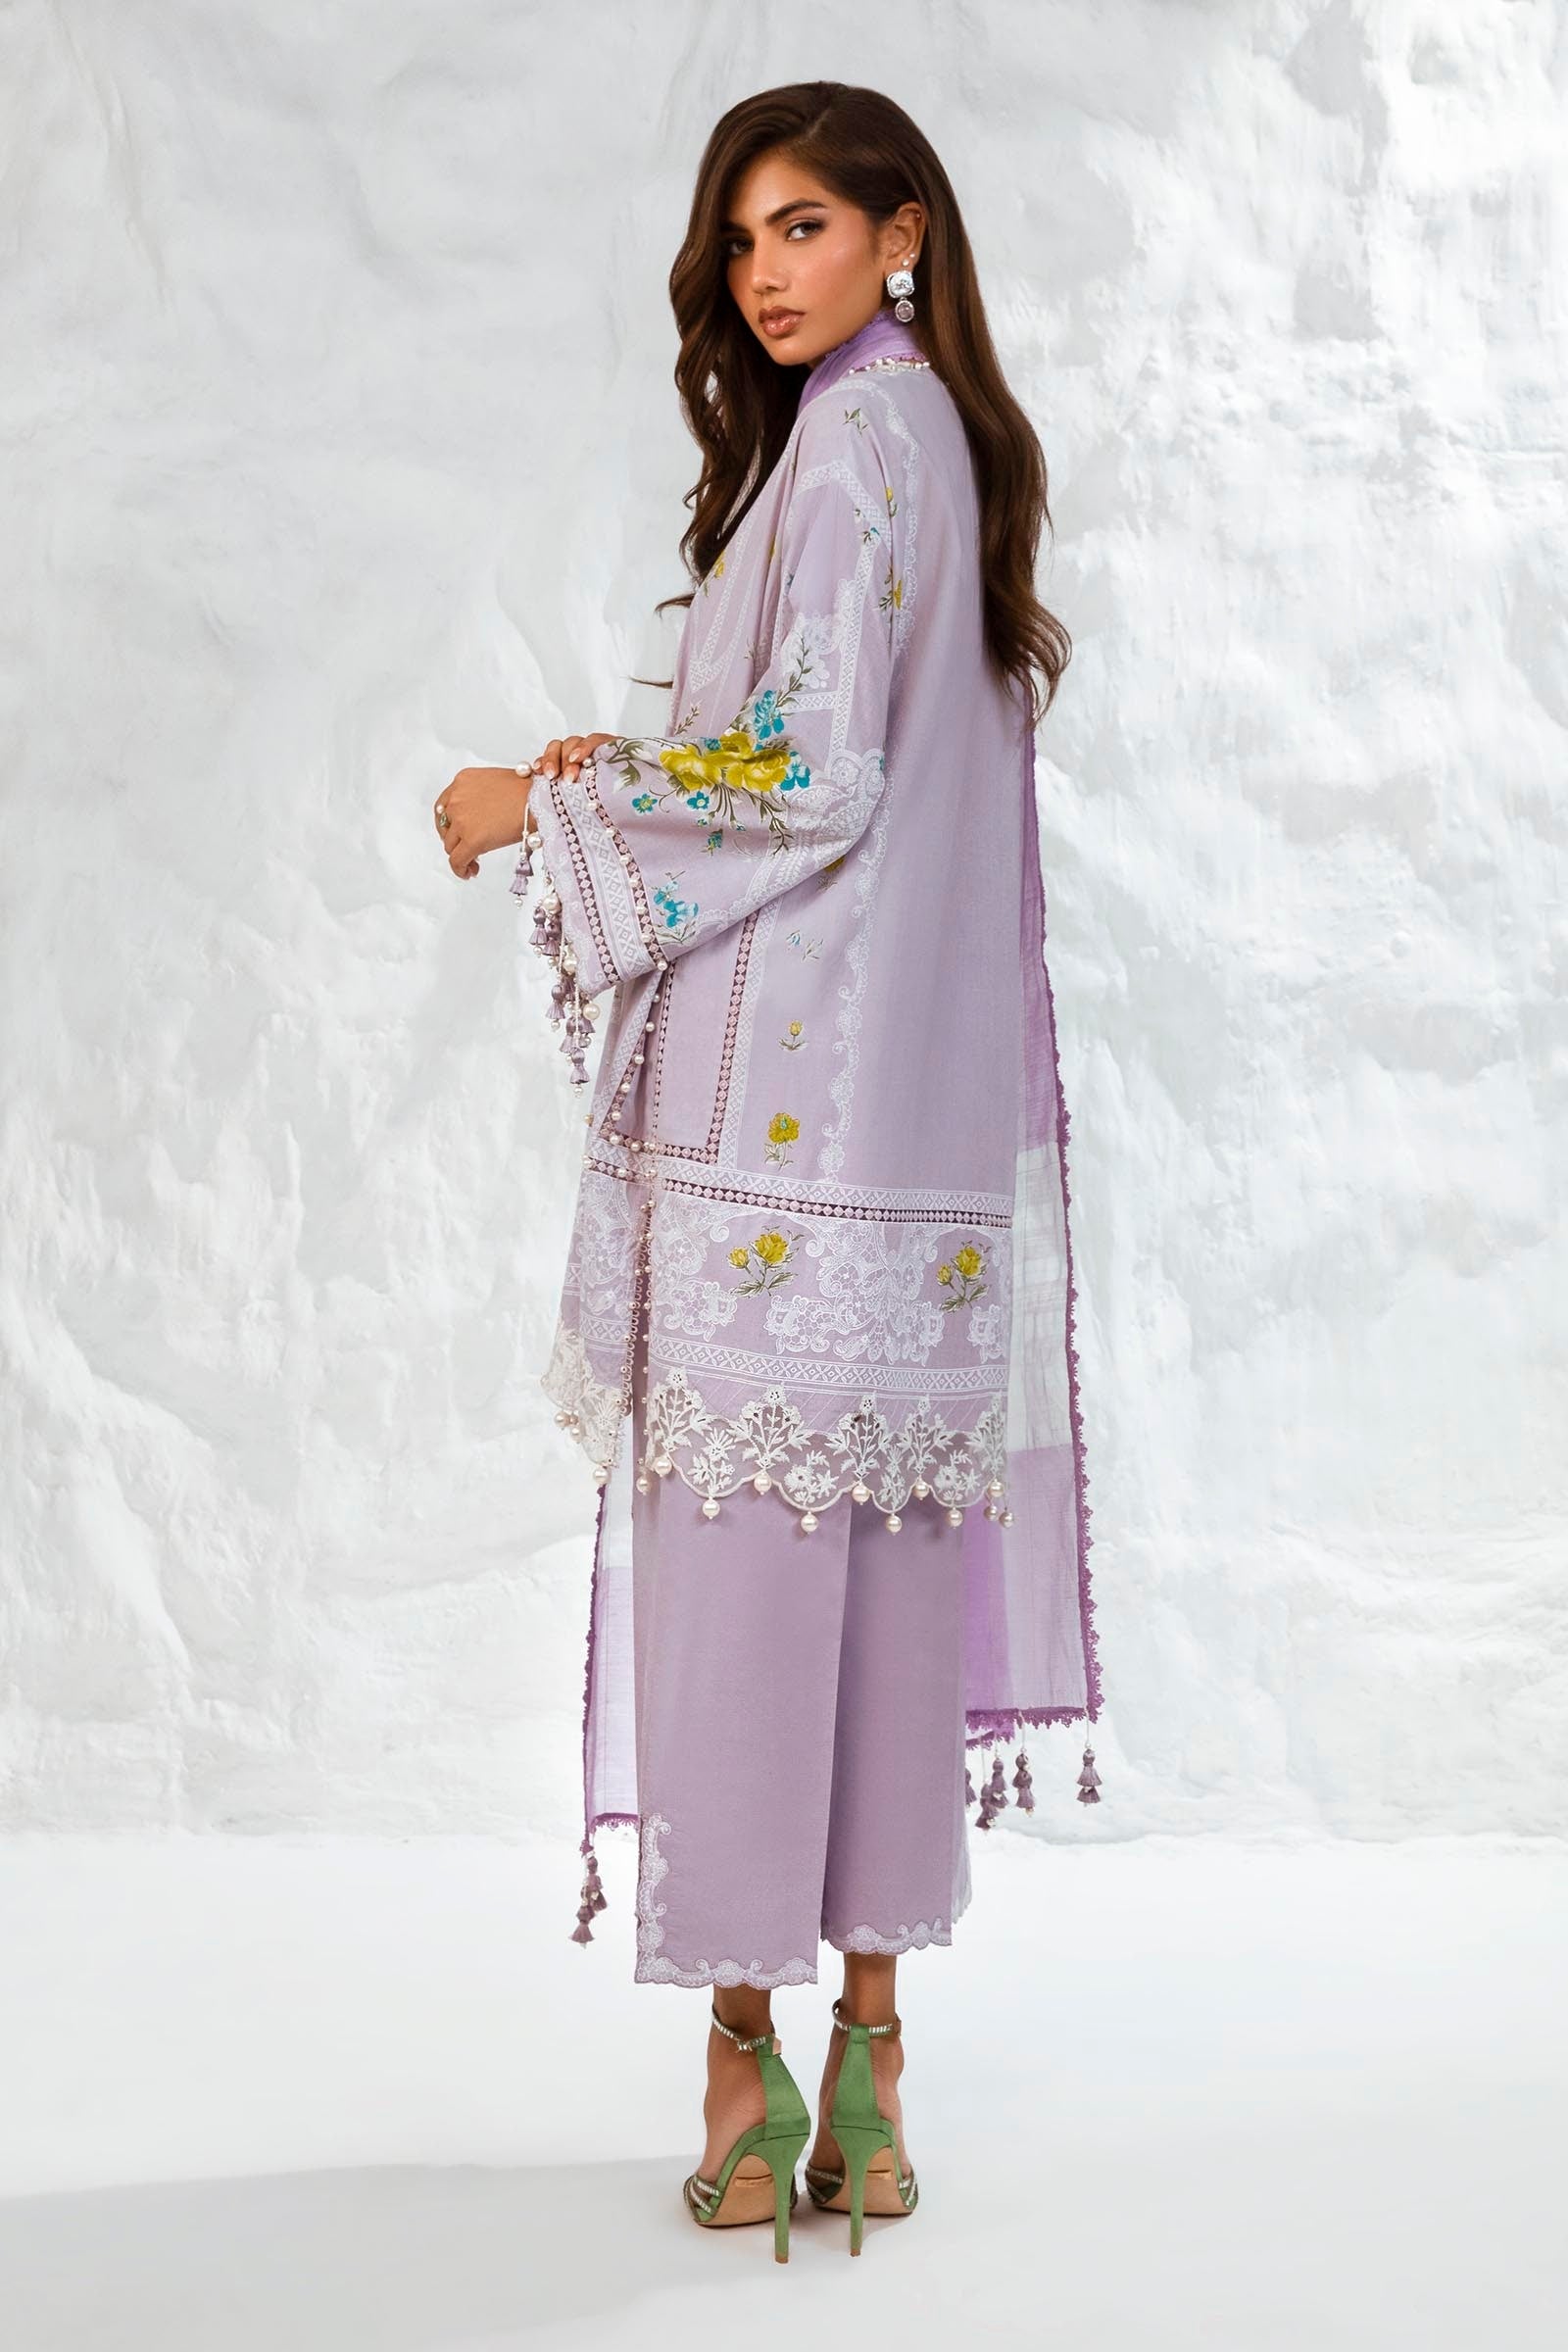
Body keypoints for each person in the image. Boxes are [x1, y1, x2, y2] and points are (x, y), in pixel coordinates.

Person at [432, 82, 1102, 2262]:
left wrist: (544, 803)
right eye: (741, 241)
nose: (763, 274)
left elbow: (809, 774)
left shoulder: (856, 444)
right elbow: (850, 757)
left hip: (781, 1148)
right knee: (877, 1599)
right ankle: (873, 2075)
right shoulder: (926, 440)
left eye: (804, 226)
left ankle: (744, 2074)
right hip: (893, 1161)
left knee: (741, 1603)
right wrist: (633, 761)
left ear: (903, 234)